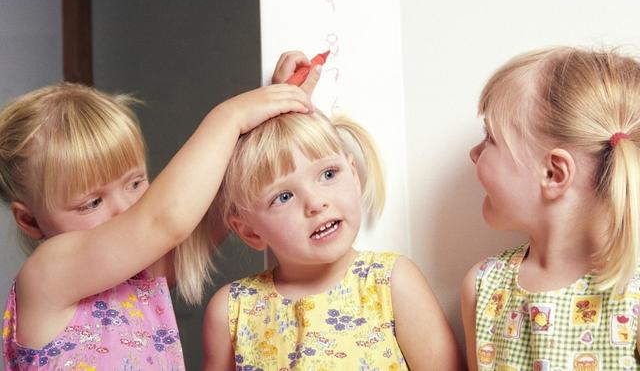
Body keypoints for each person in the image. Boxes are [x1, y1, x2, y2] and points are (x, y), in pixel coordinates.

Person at [0, 55, 319, 370]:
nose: (126, 208)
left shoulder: (138, 274)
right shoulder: (46, 275)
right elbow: (165, 221)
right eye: (92, 203)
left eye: (135, 183)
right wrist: (230, 117)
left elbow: (215, 209)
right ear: (29, 220)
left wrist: (269, 112)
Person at [202, 109, 462, 370]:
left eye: (328, 174)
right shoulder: (231, 311)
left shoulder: (391, 281)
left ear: (354, 175)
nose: (316, 203)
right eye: (283, 197)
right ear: (250, 232)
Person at [462, 47, 640, 370]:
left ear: (553, 173)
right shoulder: (482, 288)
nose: (474, 153)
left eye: (490, 137)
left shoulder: (633, 294)